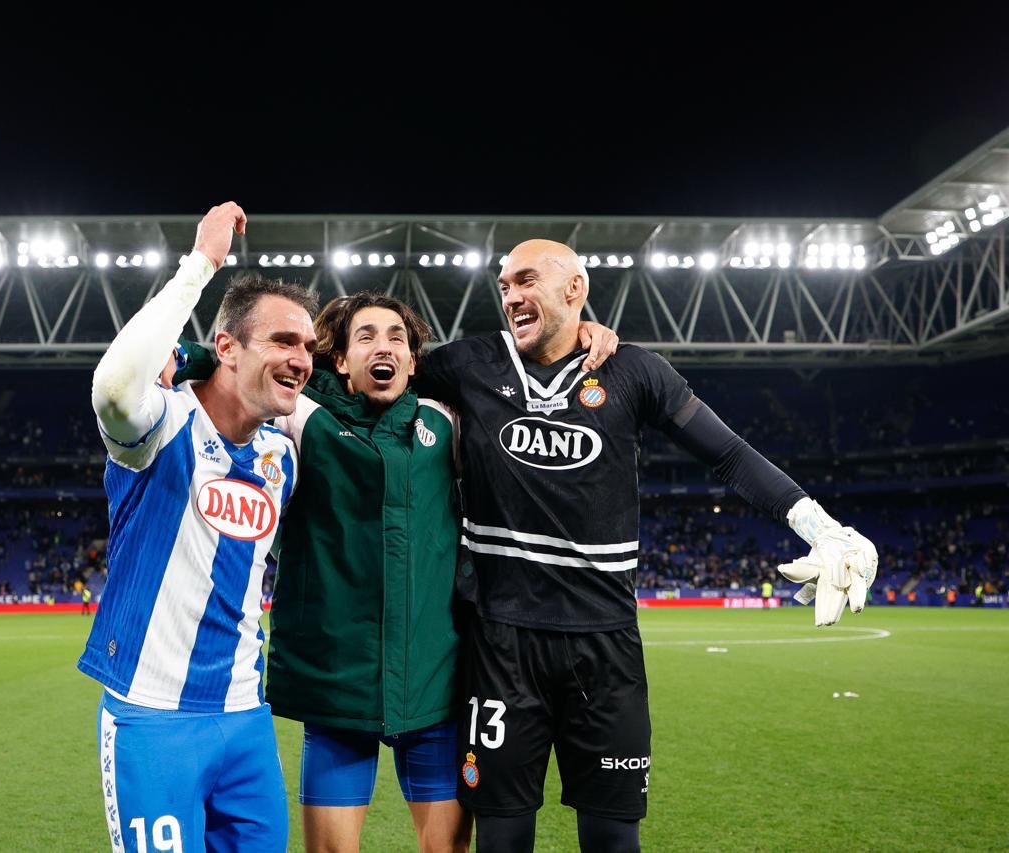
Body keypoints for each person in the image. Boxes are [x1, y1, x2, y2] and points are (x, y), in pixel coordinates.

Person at [416, 239, 879, 852]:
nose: (510, 296)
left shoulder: (635, 370)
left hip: (606, 646)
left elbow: (730, 454)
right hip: (501, 644)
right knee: (502, 840)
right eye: (503, 285)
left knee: (613, 841)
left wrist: (821, 526)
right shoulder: (468, 364)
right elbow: (358, 362)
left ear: (574, 289)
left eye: (527, 280)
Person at [176, 294, 617, 853]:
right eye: (365, 337)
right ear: (340, 360)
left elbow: (529, 393)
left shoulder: (446, 421)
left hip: (434, 683)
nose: (382, 347)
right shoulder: (302, 416)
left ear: (413, 363)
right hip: (338, 687)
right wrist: (183, 353)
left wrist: (582, 338)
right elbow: (237, 367)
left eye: (397, 339)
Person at [77, 202, 317, 853]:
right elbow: (113, 386)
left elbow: (346, 419)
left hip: (245, 717)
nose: (301, 358)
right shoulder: (158, 426)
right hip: (152, 717)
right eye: (284, 341)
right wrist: (201, 264)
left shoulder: (282, 454)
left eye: (309, 347)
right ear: (228, 346)